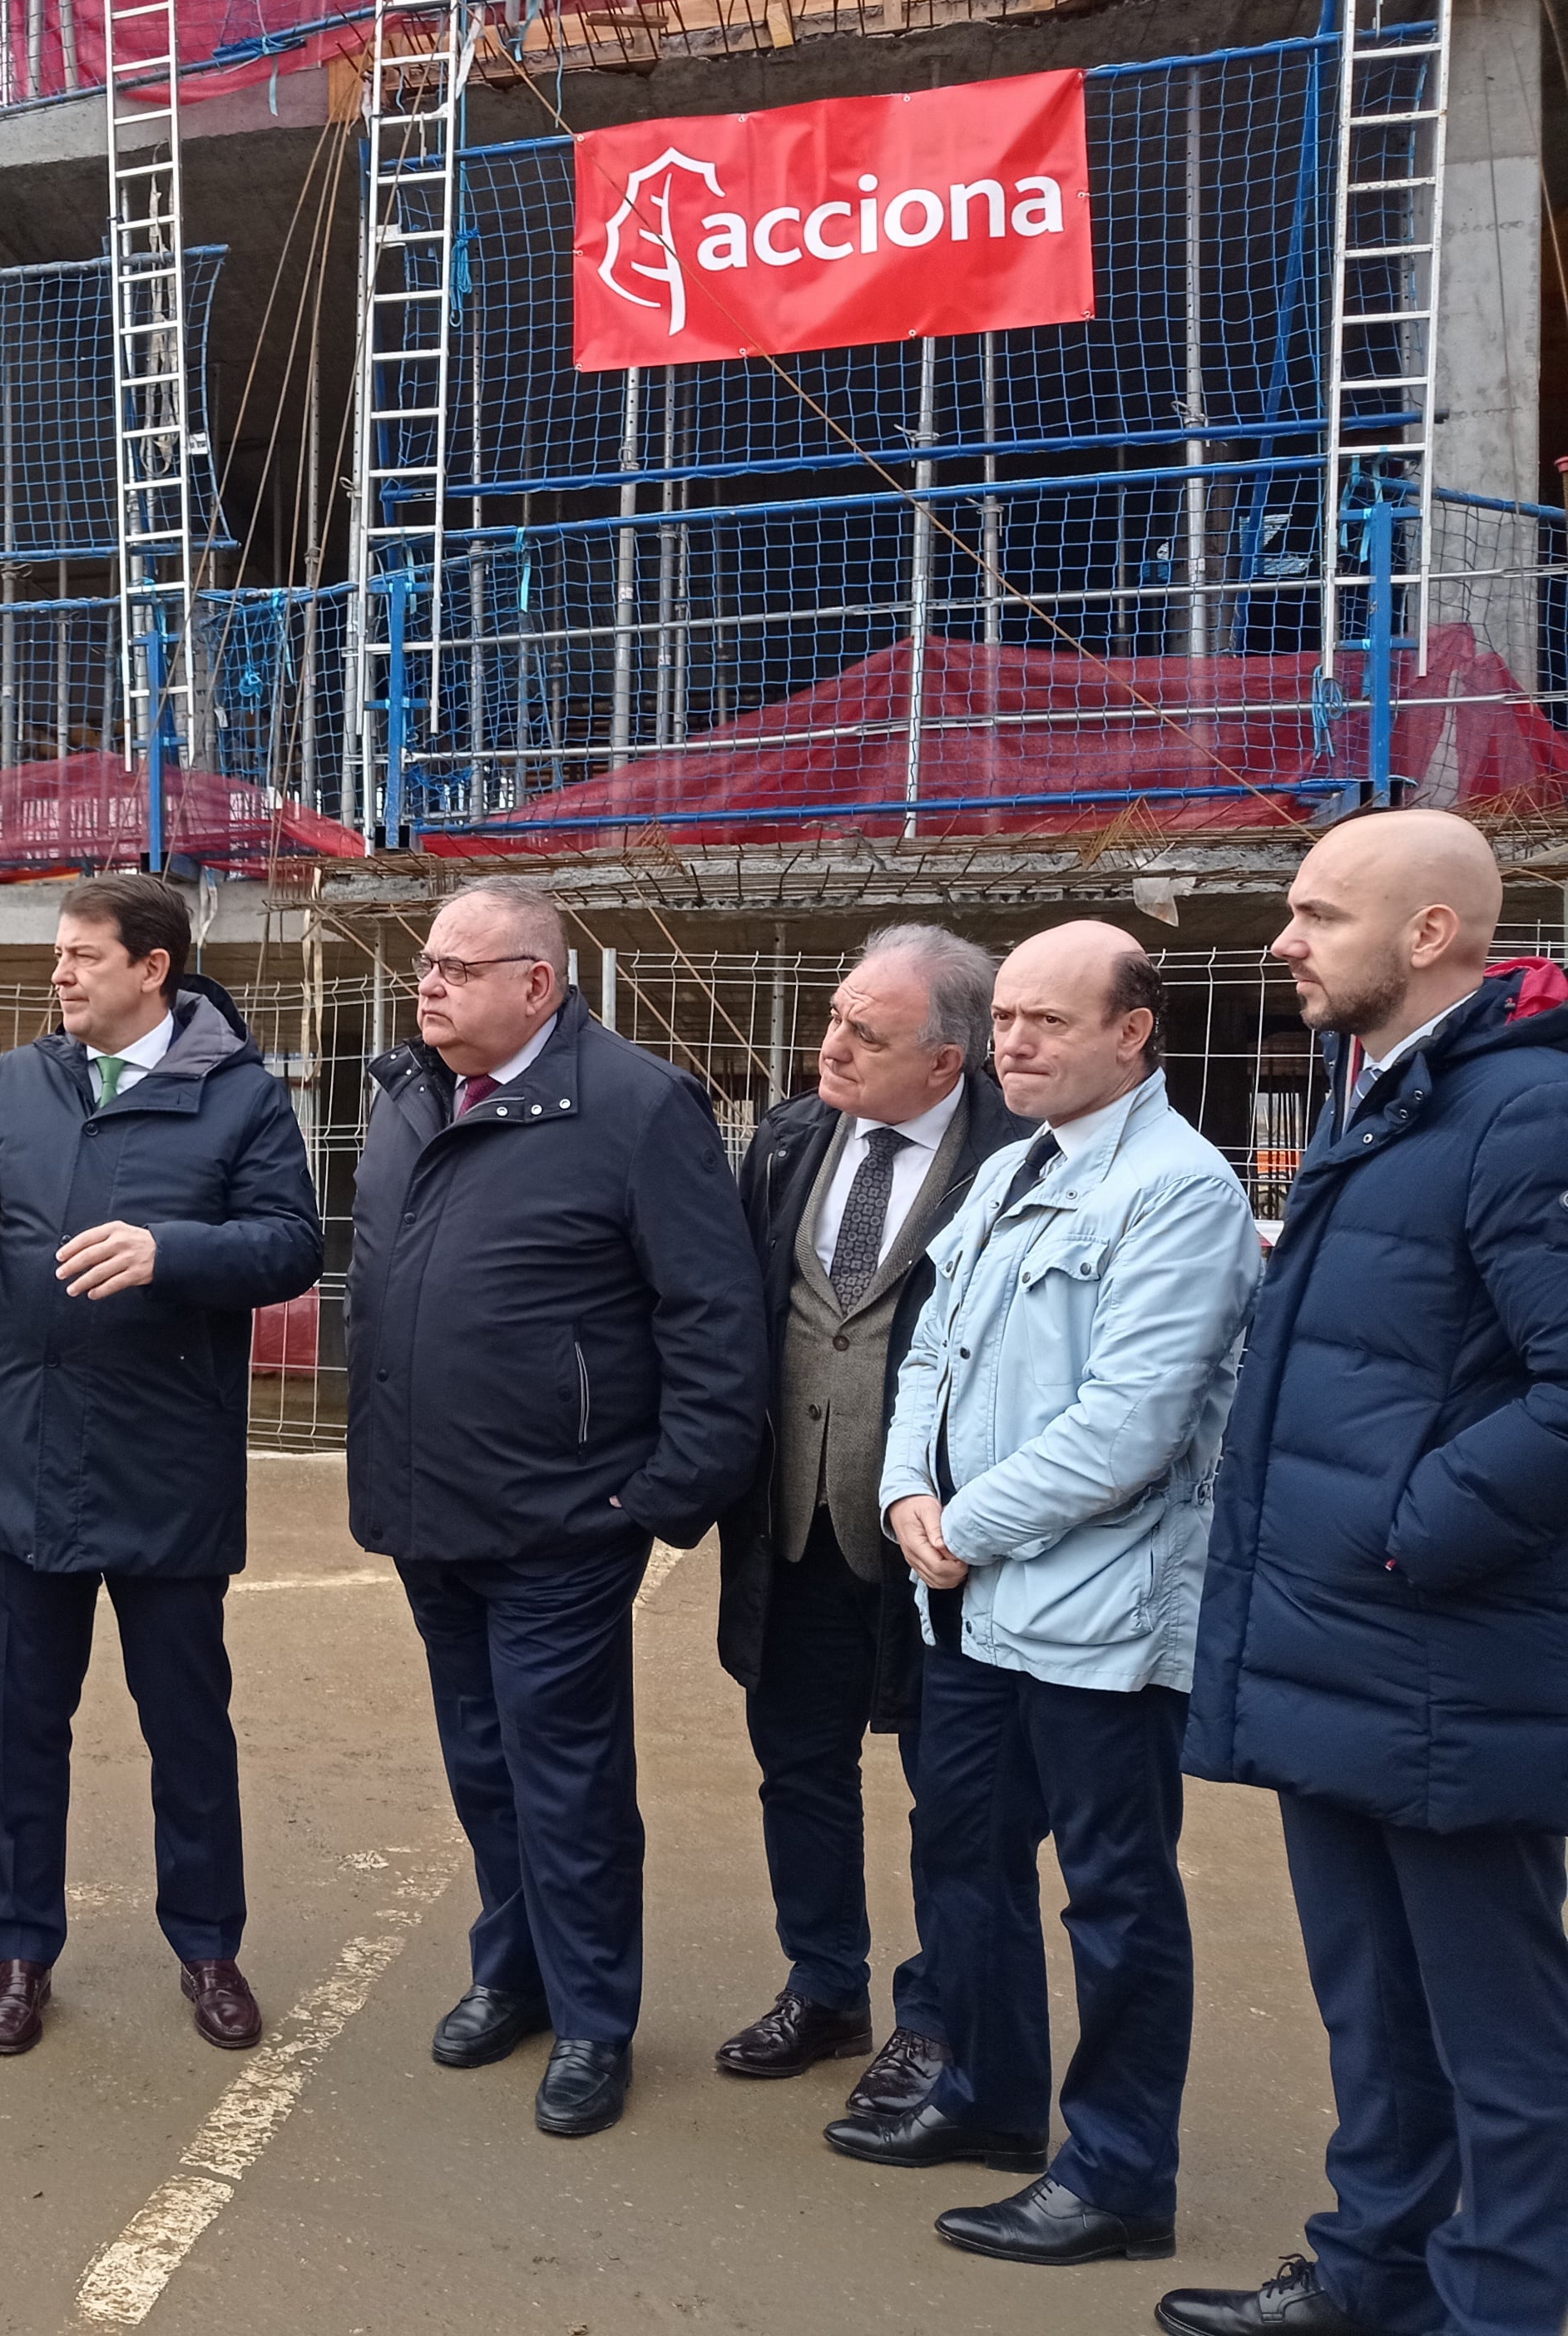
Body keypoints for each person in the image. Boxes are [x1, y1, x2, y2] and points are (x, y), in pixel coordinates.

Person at [1165, 811, 1568, 2336]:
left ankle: (1502, 2307)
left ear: (1432, 935)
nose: (1284, 939)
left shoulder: (1524, 1110)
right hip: (1346, 1644)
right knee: (1376, 2004)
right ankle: (1371, 2270)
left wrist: (1413, 1530)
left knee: (1500, 2034)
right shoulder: (1392, 1099)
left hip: (1445, 1654)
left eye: (1318, 913)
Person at [849, 920, 1262, 2267]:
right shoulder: (1014, 1165)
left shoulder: (1179, 1191)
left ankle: (1122, 2174)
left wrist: (960, 1519)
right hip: (968, 1603)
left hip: (1094, 1621)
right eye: (1007, 1016)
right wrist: (908, 1486)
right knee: (963, 1854)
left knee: (1115, 1896)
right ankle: (987, 2095)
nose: (1012, 1042)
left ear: (1132, 1031)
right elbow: (933, 1353)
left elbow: (1130, 1424)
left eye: (1047, 1021)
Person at [344, 880, 766, 2139]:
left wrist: (659, 1494)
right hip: (432, 1509)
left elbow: (713, 1314)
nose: (428, 986)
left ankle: (594, 2021)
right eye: (426, 965)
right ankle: (511, 1975)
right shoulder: (408, 1094)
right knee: (484, 1766)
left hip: (565, 1522)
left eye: (458, 970)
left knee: (568, 1777)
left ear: (538, 984)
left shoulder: (636, 1107)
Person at [0, 871, 321, 2061]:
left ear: (154, 969)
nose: (60, 972)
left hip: (167, 1465)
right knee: (20, 1725)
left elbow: (293, 1244)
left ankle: (208, 1946)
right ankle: (20, 1950)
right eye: (59, 953)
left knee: (186, 1723)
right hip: (28, 1463)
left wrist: (167, 1248)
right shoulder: (20, 1081)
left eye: (84, 954)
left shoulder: (237, 1098)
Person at [714, 926, 1023, 2114]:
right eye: (837, 1017)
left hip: (942, 1546)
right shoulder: (792, 1140)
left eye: (867, 1033)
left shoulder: (1016, 1157)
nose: (831, 1044)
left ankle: (935, 2015)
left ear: (948, 1064)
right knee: (797, 1763)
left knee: (954, 1792)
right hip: (791, 1526)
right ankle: (824, 1984)